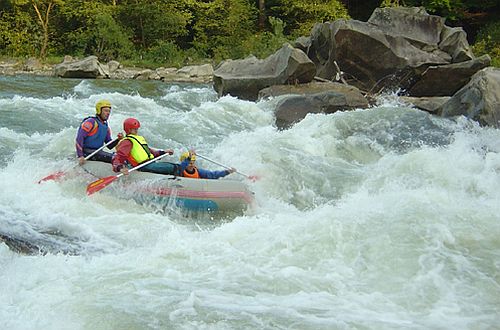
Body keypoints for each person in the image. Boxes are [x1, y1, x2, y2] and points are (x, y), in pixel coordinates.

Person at [75, 99, 121, 165]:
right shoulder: (90, 122)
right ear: (99, 111)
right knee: (115, 158)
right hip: (87, 152)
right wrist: (80, 156)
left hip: (97, 152)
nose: (108, 113)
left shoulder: (106, 127)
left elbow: (109, 146)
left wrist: (118, 139)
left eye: (109, 111)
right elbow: (79, 138)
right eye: (106, 111)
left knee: (118, 156)